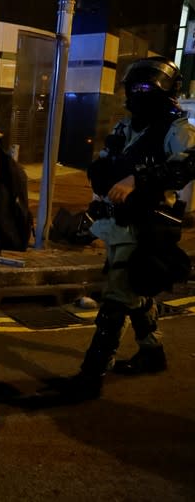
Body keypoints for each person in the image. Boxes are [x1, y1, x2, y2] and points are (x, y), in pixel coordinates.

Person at [69, 57, 195, 399]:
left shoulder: (176, 129)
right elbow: (104, 163)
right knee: (131, 289)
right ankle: (152, 351)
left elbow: (187, 165)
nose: (136, 95)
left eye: (145, 88)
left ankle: (91, 373)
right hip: (117, 223)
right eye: (133, 88)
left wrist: (139, 179)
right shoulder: (127, 126)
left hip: (147, 224)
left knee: (116, 297)